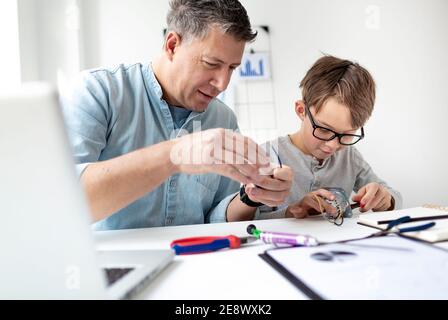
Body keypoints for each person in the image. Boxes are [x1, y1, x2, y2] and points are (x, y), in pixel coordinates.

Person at [62, 0, 292, 230]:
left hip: (197, 259)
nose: (223, 83)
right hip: (115, 263)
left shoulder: (224, 119)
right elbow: (64, 203)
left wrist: (251, 196)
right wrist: (175, 155)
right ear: (172, 45)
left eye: (232, 68)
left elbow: (217, 217)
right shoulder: (98, 92)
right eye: (211, 63)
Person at [230, 55, 402, 221]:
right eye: (324, 129)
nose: (333, 145)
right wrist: (291, 213)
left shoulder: (349, 157)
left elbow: (393, 195)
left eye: (347, 134)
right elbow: (244, 222)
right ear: (301, 111)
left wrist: (386, 199)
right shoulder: (266, 155)